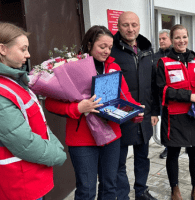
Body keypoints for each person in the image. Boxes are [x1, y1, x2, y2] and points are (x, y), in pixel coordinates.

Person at [0, 22, 67, 200]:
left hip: (22, 178)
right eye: (23, 49)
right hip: (15, 184)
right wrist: (57, 154)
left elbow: (33, 120)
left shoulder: (7, 80)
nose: (28, 54)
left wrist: (53, 143)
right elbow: (23, 142)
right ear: (2, 49)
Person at [45, 25, 142, 200]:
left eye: (110, 47)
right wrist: (77, 108)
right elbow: (51, 103)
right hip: (82, 138)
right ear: (89, 44)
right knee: (86, 190)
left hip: (111, 135)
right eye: (102, 46)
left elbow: (125, 96)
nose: (107, 51)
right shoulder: (71, 67)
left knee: (109, 186)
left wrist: (135, 110)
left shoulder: (113, 66)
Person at [156, 24, 195, 200]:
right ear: (172, 40)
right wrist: (189, 96)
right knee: (173, 153)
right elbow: (162, 90)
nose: (181, 41)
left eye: (184, 37)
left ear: (188, 38)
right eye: (177, 37)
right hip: (174, 117)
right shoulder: (164, 62)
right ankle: (175, 189)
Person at [110, 11, 160, 200]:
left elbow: (154, 83)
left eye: (134, 25)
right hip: (119, 114)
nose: (130, 29)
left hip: (145, 113)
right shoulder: (112, 50)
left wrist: (155, 111)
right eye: (125, 25)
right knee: (119, 161)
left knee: (142, 157)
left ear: (139, 26)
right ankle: (122, 195)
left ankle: (141, 191)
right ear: (118, 26)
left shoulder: (147, 50)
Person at [154, 29, 172, 159]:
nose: (161, 41)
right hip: (160, 96)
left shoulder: (175, 55)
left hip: (174, 96)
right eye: (159, 39)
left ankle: (188, 146)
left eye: (163, 39)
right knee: (165, 124)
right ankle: (168, 147)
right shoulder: (155, 56)